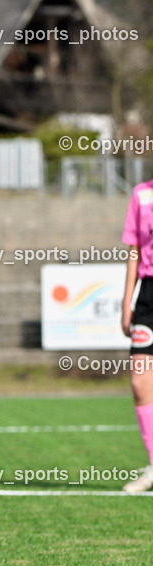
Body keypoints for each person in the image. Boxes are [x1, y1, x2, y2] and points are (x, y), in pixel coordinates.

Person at [120, 176, 153, 492]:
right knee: (140, 380)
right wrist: (127, 302)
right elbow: (134, 250)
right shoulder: (142, 194)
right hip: (148, 295)